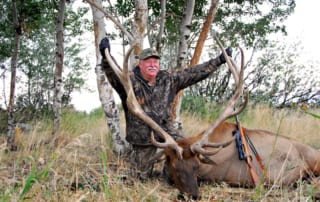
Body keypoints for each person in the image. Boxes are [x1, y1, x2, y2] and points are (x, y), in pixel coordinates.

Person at [99, 37, 232, 180]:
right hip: (142, 138)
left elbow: (194, 73)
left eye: (155, 61)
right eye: (148, 61)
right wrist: (106, 58)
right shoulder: (129, 81)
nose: (152, 64)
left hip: (168, 134)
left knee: (185, 156)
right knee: (140, 177)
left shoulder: (168, 79)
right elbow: (113, 74)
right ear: (140, 64)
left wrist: (219, 60)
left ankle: (171, 173)